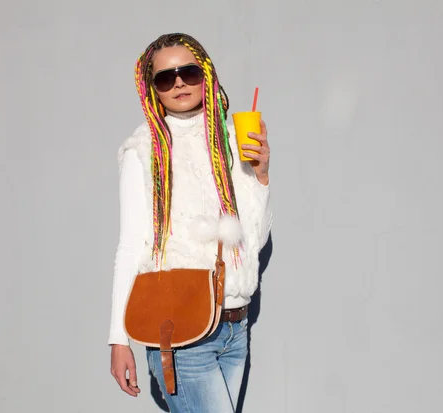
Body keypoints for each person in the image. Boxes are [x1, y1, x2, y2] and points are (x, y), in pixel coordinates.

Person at [108, 32, 273, 413]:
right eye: (166, 77)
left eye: (188, 71)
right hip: (182, 334)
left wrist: (262, 176)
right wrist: (119, 338)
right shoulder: (144, 151)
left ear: (206, 75)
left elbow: (254, 240)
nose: (179, 82)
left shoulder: (233, 140)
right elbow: (131, 246)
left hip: (236, 328)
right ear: (153, 89)